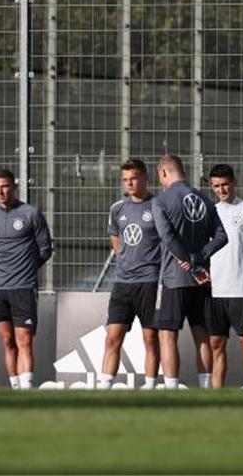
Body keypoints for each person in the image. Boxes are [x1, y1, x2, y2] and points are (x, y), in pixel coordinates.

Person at [151, 154, 227, 389]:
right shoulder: (205, 199)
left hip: (176, 278)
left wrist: (188, 261)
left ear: (164, 173)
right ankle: (205, 388)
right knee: (201, 335)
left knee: (167, 334)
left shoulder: (161, 201)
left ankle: (171, 388)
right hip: (202, 279)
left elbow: (168, 237)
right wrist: (199, 259)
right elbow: (223, 236)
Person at [0, 168, 54, 390]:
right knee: (8, 341)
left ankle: (27, 389)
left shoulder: (31, 214)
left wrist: (26, 269)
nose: (1, 191)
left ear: (14, 186)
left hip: (23, 288)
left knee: (24, 341)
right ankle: (15, 390)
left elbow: (45, 249)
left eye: (4, 186)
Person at [98, 159, 161, 390]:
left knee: (150, 339)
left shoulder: (158, 205)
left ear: (145, 177)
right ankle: (105, 387)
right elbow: (116, 244)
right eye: (125, 180)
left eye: (133, 178)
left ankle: (151, 386)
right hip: (123, 283)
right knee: (112, 338)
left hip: (150, 282)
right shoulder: (118, 209)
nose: (130, 184)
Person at [206, 164, 243, 388]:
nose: (221, 189)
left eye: (225, 184)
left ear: (234, 182)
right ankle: (216, 395)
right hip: (215, 290)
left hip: (241, 290)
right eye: (216, 186)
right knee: (216, 344)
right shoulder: (210, 212)